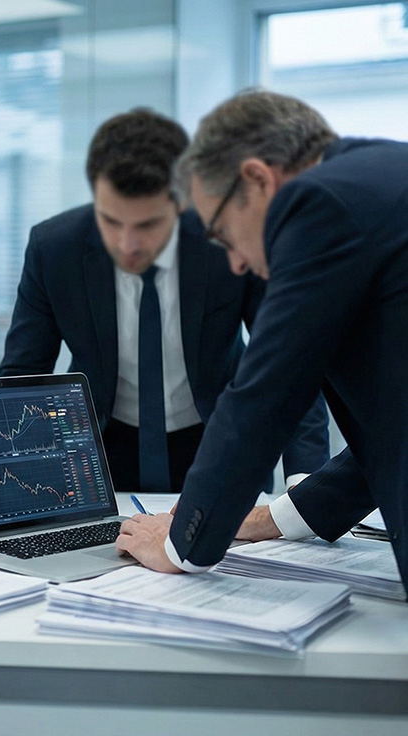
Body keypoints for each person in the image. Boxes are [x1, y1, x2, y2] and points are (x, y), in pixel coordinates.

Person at [116, 90, 408, 589]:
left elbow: (263, 396)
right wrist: (272, 519)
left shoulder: (317, 202)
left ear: (257, 179)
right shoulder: (382, 178)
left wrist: (180, 544)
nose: (235, 263)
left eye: (225, 233)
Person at [0, 108, 329, 493]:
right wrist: (18, 487)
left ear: (181, 203)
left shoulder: (228, 243)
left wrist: (304, 492)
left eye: (147, 225)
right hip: (98, 449)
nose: (128, 245)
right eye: (111, 221)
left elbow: (291, 364)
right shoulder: (55, 248)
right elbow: (23, 377)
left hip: (216, 442)